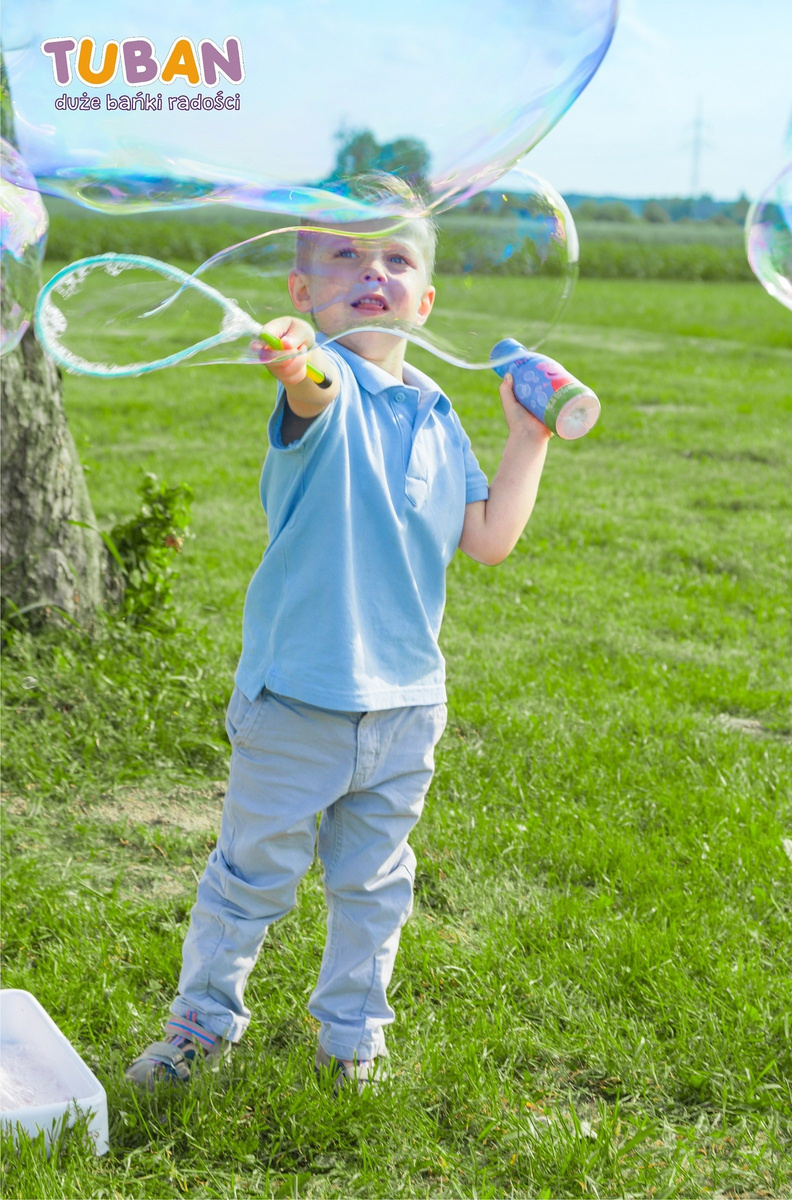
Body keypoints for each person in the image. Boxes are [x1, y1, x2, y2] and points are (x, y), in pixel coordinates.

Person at [125, 174, 553, 1093]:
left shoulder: (439, 416)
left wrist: (530, 439)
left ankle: (353, 1039)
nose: (374, 270)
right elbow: (313, 389)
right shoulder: (329, 390)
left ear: (425, 299)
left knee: (376, 888)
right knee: (250, 880)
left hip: (405, 708)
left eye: (397, 257)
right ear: (302, 293)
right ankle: (201, 1027)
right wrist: (293, 361)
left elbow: (488, 541)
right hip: (298, 700)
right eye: (346, 255)